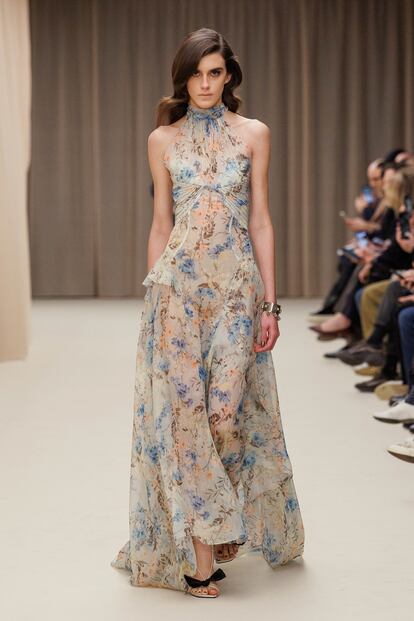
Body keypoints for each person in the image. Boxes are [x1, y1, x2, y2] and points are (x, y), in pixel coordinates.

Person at [110, 28, 305, 598]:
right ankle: (201, 555)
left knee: (225, 412)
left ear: (229, 76)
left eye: (214, 72)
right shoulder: (162, 139)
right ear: (183, 78)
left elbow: (261, 218)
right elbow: (161, 223)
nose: (204, 84)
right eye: (195, 74)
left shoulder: (254, 134)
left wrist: (270, 303)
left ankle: (221, 520)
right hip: (178, 294)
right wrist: (153, 297)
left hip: (237, 293)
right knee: (187, 417)